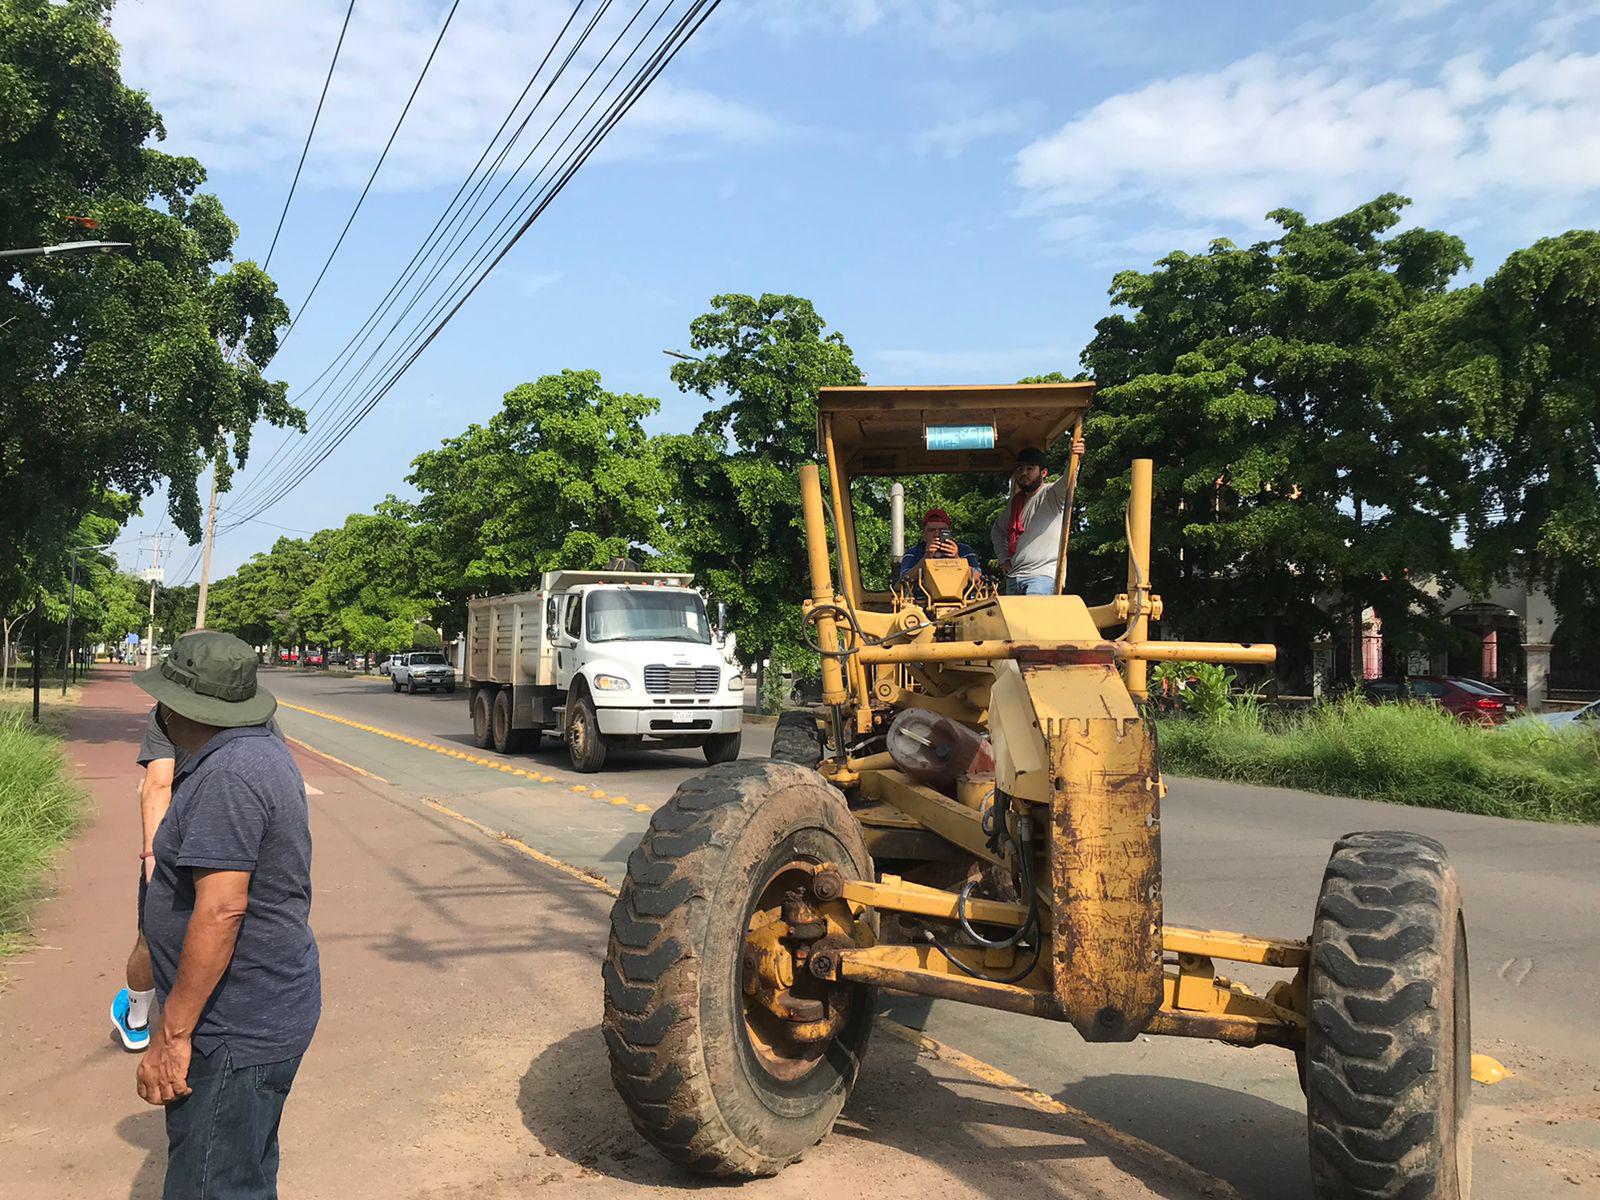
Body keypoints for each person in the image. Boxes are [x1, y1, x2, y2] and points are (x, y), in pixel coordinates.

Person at [132, 630, 319, 1200]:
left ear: (178, 706)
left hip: (235, 1025)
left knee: (214, 1186)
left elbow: (221, 911)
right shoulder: (247, 754)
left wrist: (173, 1034)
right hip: (250, 1015)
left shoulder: (228, 776)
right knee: (242, 1173)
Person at [112, 706, 286, 1053]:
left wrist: (151, 856)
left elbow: (159, 783)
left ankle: (137, 1021)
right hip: (239, 838)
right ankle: (221, 1014)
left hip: (180, 837)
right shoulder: (260, 716)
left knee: (153, 935)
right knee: (228, 923)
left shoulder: (169, 713)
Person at [990, 442, 1082, 595]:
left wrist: (1075, 458)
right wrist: (1003, 559)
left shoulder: (1052, 495)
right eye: (1019, 468)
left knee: (1033, 619)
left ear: (1044, 473)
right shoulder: (1015, 503)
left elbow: (1069, 479)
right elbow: (997, 531)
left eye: (1030, 468)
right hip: (1014, 576)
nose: (1024, 473)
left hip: (1042, 576)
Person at [898, 508, 983, 582]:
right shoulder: (913, 553)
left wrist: (957, 559)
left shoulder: (964, 550)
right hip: (923, 599)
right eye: (932, 530)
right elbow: (903, 581)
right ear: (924, 534)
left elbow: (979, 580)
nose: (937, 534)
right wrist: (925, 559)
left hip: (962, 599)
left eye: (942, 530)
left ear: (949, 532)